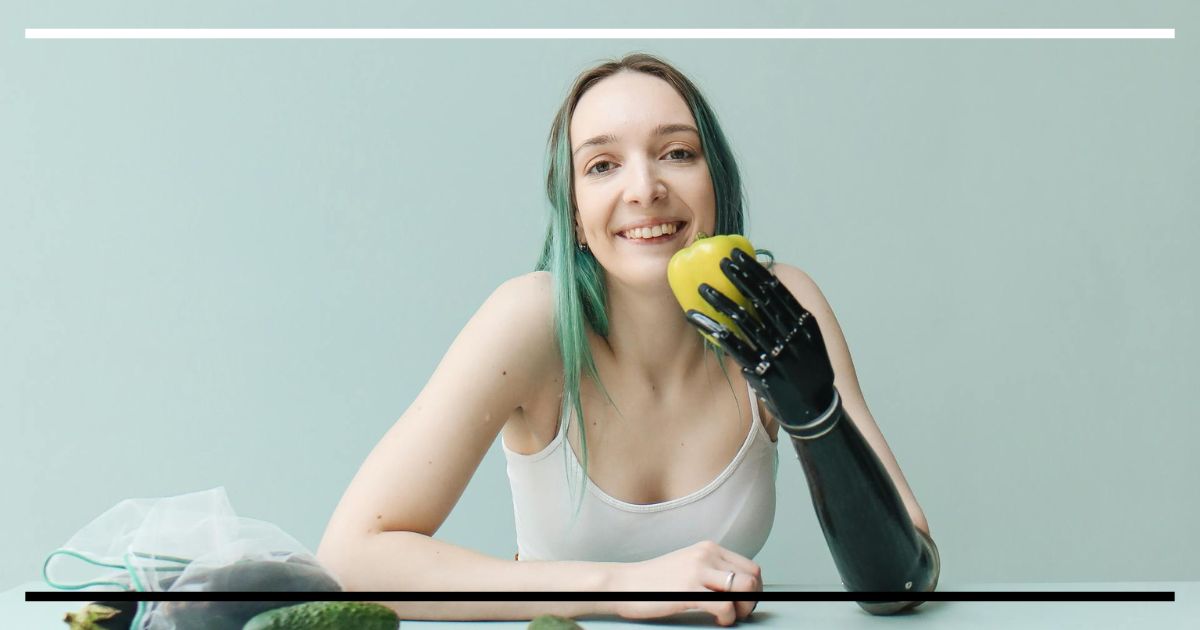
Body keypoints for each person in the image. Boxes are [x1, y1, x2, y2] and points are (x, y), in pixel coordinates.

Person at [316, 53, 939, 626]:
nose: (644, 189)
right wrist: (621, 586)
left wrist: (816, 418)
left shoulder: (777, 307)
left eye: (677, 153)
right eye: (602, 165)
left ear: (715, 183)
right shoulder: (532, 319)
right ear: (576, 212)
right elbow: (349, 562)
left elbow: (904, 580)